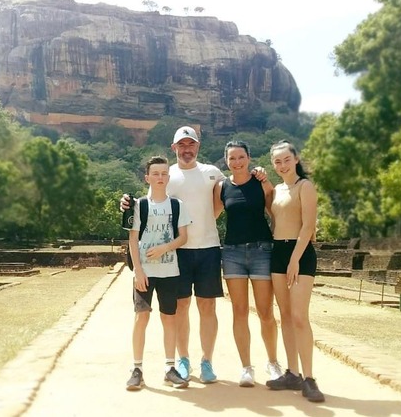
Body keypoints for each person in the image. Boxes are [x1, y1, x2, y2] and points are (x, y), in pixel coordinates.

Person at [122, 126, 224, 383]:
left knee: (208, 306)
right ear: (174, 148)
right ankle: (182, 358)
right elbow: (147, 208)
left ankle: (207, 361)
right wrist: (125, 204)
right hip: (178, 252)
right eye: (182, 145)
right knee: (180, 306)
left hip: (208, 247)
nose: (187, 149)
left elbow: (228, 194)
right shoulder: (168, 174)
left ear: (198, 146)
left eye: (191, 144)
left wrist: (205, 221)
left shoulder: (211, 172)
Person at [212, 140, 284, 387]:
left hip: (262, 250)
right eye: (232, 158)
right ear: (227, 161)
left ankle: (273, 363)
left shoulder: (260, 182)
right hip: (232, 252)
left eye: (241, 157)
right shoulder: (221, 187)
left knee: (266, 312)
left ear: (249, 158)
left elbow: (277, 211)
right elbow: (209, 215)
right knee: (239, 311)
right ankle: (246, 367)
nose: (237, 162)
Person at [264, 140, 325, 402]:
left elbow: (308, 226)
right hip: (278, 252)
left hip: (300, 254)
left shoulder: (305, 186)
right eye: (277, 161)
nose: (282, 165)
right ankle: (292, 373)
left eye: (286, 159)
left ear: (296, 159)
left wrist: (295, 259)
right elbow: (275, 218)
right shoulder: (276, 190)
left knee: (300, 316)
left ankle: (309, 378)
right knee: (285, 314)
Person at [126, 155, 192, 391]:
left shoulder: (177, 205)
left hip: (169, 270)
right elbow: (133, 239)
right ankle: (137, 369)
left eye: (164, 173)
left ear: (168, 176)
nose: (160, 177)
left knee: (169, 318)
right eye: (156, 173)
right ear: (147, 177)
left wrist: (165, 247)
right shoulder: (140, 205)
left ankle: (169, 367)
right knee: (141, 317)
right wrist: (138, 271)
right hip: (145, 271)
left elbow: (184, 237)